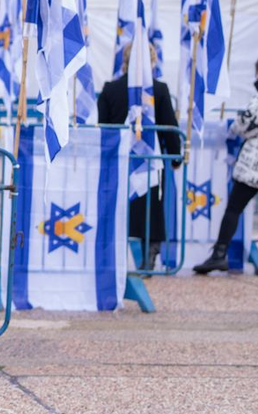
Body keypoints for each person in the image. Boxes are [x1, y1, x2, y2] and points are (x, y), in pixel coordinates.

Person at [97, 43, 181, 269]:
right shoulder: (159, 89)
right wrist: (175, 157)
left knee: (118, 207)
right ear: (151, 61)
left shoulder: (110, 89)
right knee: (150, 205)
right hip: (149, 161)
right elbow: (169, 127)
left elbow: (103, 127)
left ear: (124, 61)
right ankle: (150, 248)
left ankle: (114, 254)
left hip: (118, 160)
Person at [194, 59, 258, 275]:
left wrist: (235, 126)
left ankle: (219, 254)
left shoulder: (256, 101)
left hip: (253, 165)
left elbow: (244, 125)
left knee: (234, 208)